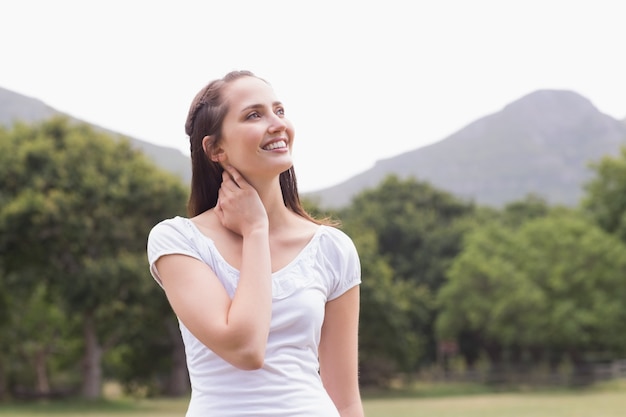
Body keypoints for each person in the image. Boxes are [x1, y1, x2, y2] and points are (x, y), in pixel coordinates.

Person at [147, 70, 364, 417]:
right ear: (215, 148)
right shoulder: (178, 241)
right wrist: (256, 231)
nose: (277, 123)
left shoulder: (332, 249)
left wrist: (255, 228)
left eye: (279, 111)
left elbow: (346, 399)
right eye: (254, 115)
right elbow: (245, 348)